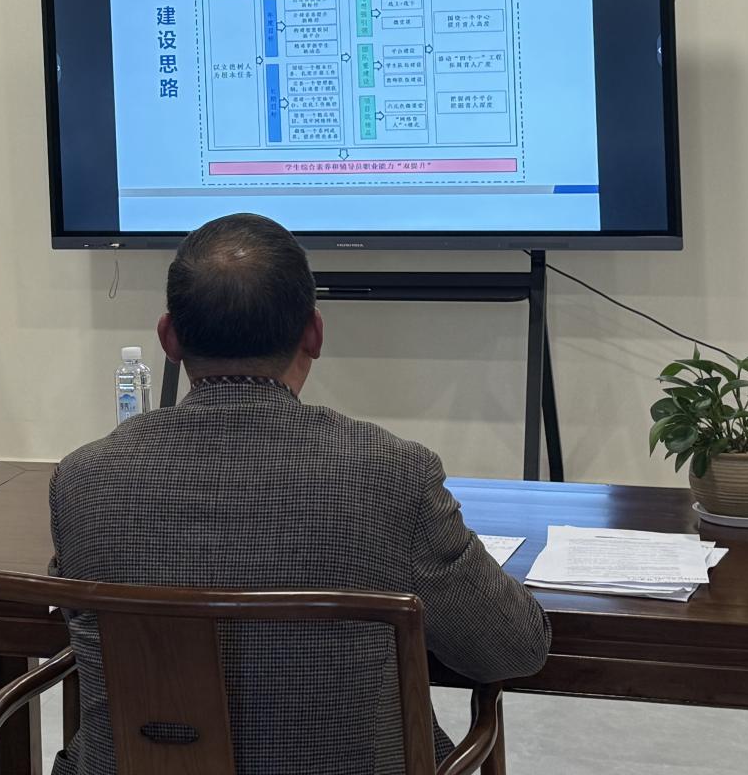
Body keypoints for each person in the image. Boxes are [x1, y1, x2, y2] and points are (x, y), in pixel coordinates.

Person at [49, 213, 552, 775]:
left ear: (168, 338)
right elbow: (512, 647)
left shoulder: (84, 478)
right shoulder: (393, 473)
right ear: (314, 333)